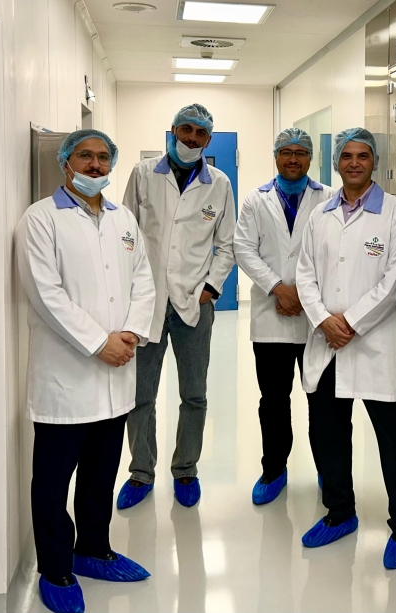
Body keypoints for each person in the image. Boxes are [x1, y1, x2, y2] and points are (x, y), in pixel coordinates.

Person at [16, 130, 156, 613]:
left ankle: (94, 550)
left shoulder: (123, 219)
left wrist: (131, 333)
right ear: (66, 162)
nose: (95, 165)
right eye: (85, 156)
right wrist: (100, 342)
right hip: (66, 378)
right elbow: (45, 293)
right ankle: (55, 568)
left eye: (102, 158)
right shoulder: (40, 219)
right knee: (53, 482)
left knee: (101, 473)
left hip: (116, 375)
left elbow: (143, 280)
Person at [295, 127, 396, 569]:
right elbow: (305, 272)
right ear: (336, 162)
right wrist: (323, 319)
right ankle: (339, 512)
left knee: (394, 440)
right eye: (346, 156)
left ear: (374, 162)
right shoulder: (320, 214)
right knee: (328, 435)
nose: (354, 163)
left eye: (363, 156)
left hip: (373, 343)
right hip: (327, 341)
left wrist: (349, 322)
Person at [118, 103, 236, 509]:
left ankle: (186, 469)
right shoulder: (143, 174)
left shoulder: (219, 183)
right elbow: (125, 235)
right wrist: (132, 289)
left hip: (193, 304)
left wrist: (210, 288)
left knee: (194, 394)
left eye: (200, 133)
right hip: (146, 303)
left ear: (208, 139)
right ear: (173, 130)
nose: (192, 138)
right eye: (186, 129)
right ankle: (141, 472)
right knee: (140, 395)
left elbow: (227, 244)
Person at [234, 128, 335, 504]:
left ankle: (328, 469)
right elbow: (243, 248)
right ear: (275, 156)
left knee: (322, 402)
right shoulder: (255, 200)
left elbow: (334, 252)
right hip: (271, 317)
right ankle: (274, 469)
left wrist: (303, 297)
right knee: (274, 401)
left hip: (316, 319)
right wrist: (278, 288)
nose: (294, 159)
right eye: (286, 152)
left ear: (311, 158)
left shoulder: (329, 198)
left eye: (301, 152)